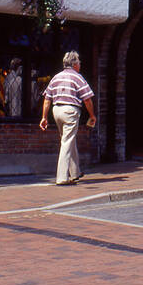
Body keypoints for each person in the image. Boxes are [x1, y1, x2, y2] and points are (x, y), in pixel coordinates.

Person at [40, 50, 96, 186]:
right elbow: (87, 99)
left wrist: (44, 117)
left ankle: (75, 172)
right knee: (67, 142)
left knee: (69, 139)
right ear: (75, 64)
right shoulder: (77, 77)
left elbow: (47, 99)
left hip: (56, 110)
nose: (80, 64)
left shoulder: (56, 77)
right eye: (79, 62)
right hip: (70, 110)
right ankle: (62, 177)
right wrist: (92, 115)